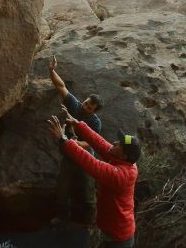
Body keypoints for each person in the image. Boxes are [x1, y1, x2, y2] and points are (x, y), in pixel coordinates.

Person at [46, 107, 141, 248]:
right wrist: (78, 124)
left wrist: (63, 140)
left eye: (120, 144)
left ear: (124, 155)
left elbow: (92, 163)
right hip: (111, 231)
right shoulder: (122, 160)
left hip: (118, 240)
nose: (115, 142)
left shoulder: (122, 175)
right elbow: (100, 142)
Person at [48, 56, 103, 226]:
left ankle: (89, 223)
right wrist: (52, 70)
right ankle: (62, 218)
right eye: (86, 103)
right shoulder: (74, 104)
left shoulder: (95, 122)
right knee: (62, 189)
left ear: (95, 111)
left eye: (89, 107)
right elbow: (61, 86)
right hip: (70, 157)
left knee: (87, 191)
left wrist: (73, 142)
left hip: (86, 159)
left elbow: (92, 143)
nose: (85, 107)